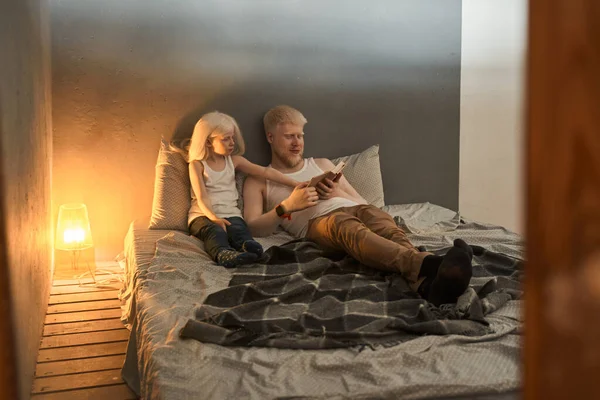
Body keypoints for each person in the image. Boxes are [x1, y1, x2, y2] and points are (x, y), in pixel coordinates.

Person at [243, 105, 473, 306]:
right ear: (271, 137)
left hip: (356, 209)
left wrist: (337, 190)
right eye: (289, 137)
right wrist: (287, 206)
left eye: (300, 136)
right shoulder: (258, 181)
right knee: (346, 226)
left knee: (384, 224)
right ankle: (432, 264)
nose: (297, 144)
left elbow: (363, 203)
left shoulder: (322, 164)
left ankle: (427, 285)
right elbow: (253, 228)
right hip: (320, 223)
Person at [187, 111, 300, 268]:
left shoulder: (235, 161)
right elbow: (201, 196)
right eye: (226, 139)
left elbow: (265, 172)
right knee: (216, 232)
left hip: (231, 214)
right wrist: (213, 217)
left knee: (240, 230)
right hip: (202, 216)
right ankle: (223, 253)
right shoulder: (197, 165)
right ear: (208, 142)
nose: (232, 142)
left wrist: (294, 183)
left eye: (232, 137)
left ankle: (248, 248)